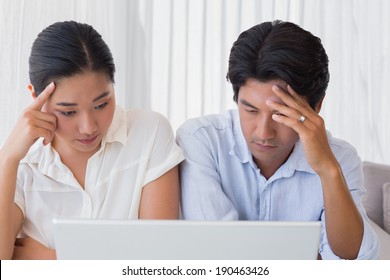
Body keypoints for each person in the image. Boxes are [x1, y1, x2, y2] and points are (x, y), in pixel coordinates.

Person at [177, 20, 379, 259]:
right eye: (250, 110)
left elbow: (353, 260)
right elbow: (217, 252)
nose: (263, 132)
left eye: (281, 114)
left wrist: (327, 170)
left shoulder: (340, 158)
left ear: (316, 107)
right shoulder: (201, 141)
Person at [0, 21, 184, 260]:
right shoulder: (22, 166)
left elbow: (157, 261)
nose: (88, 127)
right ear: (36, 97)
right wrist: (7, 158)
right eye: (68, 112)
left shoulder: (149, 133)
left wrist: (57, 260)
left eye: (101, 104)